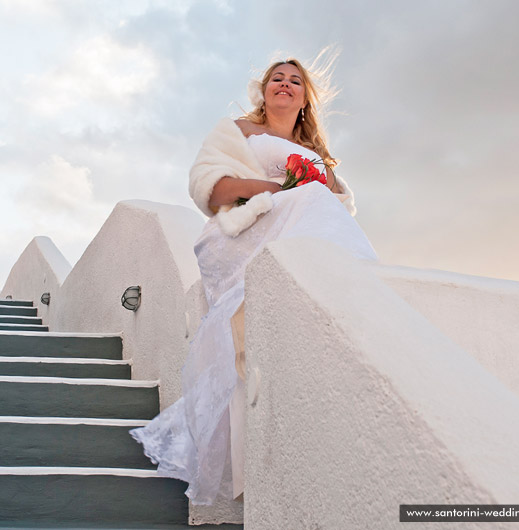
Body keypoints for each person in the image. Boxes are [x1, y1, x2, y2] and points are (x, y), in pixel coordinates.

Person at [131, 58, 378, 505]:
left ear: (305, 98)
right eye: (276, 79)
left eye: (295, 81)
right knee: (312, 207)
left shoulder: (315, 153)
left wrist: (308, 184)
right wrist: (282, 190)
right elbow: (213, 189)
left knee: (318, 211)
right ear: (263, 92)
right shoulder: (238, 131)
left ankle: (352, 302)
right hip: (243, 231)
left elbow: (339, 206)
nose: (285, 85)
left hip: (296, 227)